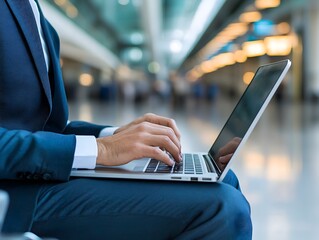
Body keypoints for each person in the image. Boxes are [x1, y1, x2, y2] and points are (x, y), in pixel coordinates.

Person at [0, 0, 252, 239]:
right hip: (15, 193)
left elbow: (47, 128)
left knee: (225, 179)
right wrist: (101, 150)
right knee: (223, 209)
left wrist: (114, 136)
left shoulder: (38, 16)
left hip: (34, 175)